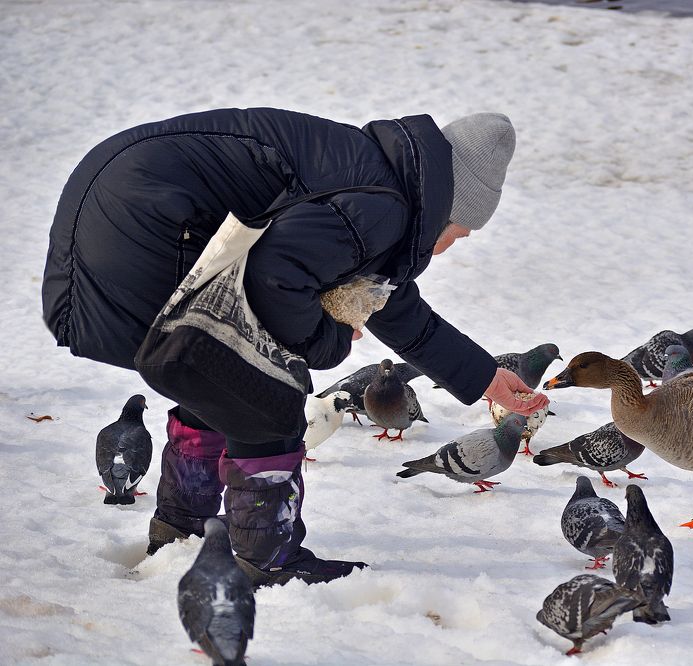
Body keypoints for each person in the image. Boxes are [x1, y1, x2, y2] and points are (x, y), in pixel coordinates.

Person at [41, 107, 550, 586]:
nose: (450, 246)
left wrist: (482, 375)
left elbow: (382, 297)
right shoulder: (380, 205)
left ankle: (181, 528)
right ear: (449, 206)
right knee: (259, 391)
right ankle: (268, 559)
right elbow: (277, 279)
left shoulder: (380, 184)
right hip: (147, 216)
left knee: (215, 371)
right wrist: (329, 339)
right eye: (459, 234)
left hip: (117, 199)